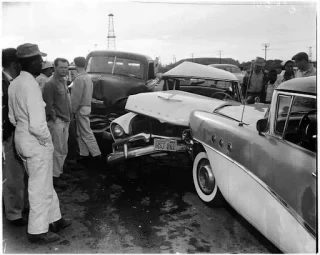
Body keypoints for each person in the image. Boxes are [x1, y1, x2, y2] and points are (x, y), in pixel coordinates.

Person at [8, 43, 71, 243]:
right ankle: (37, 231)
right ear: (33, 62)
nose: (43, 64)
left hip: (21, 138)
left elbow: (11, 118)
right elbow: (37, 124)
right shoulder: (31, 85)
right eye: (40, 61)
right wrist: (46, 141)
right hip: (35, 141)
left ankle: (55, 218)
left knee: (44, 183)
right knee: (38, 186)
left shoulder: (15, 83)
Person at [2, 48, 27, 227]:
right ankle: (13, 214)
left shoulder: (10, 82)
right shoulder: (4, 84)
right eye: (20, 63)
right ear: (14, 64)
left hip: (13, 135)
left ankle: (19, 207)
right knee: (13, 176)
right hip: (7, 136)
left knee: (18, 174)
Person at [42, 58, 72, 188]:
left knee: (63, 148)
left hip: (66, 120)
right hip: (58, 121)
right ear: (54, 67)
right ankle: (54, 177)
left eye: (66, 67)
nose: (64, 70)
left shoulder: (63, 81)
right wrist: (55, 119)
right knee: (56, 149)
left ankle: (59, 172)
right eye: (61, 67)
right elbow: (48, 105)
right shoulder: (50, 83)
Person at [71, 57, 101, 161]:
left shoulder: (79, 79)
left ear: (75, 64)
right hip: (87, 106)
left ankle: (96, 154)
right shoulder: (88, 77)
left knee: (86, 132)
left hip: (80, 107)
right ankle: (84, 154)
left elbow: (76, 98)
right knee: (81, 132)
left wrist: (72, 110)